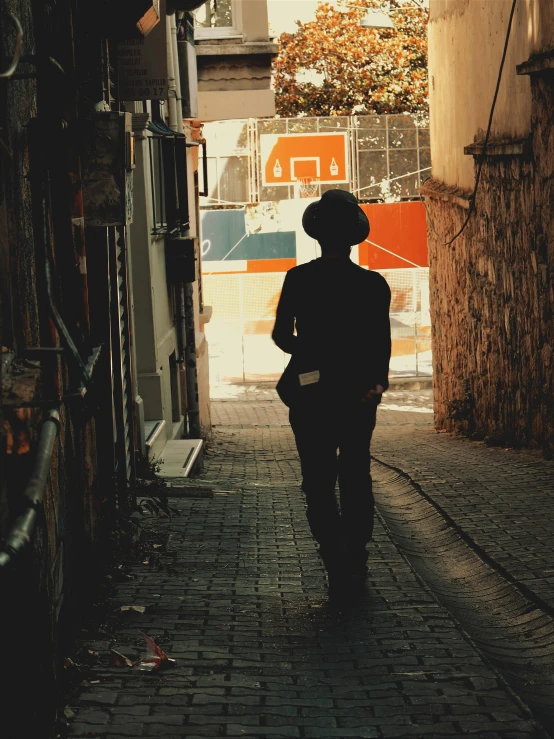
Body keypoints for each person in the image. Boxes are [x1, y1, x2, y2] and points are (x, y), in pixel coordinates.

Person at [272, 189, 391, 600]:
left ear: (317, 235)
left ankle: (333, 558)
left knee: (318, 481)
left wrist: (310, 354)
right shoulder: (373, 285)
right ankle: (355, 557)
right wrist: (375, 386)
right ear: (353, 236)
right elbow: (381, 344)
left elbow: (280, 336)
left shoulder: (298, 279)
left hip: (311, 395)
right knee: (356, 473)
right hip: (358, 395)